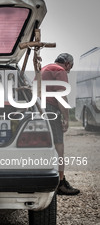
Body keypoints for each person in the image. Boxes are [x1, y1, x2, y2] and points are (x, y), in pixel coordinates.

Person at [41, 53, 80, 195]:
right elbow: (61, 96)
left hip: (38, 108)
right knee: (59, 147)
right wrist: (66, 118)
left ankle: (48, 177)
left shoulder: (45, 68)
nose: (69, 70)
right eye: (71, 66)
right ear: (68, 64)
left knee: (45, 145)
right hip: (51, 109)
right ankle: (60, 183)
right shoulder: (60, 71)